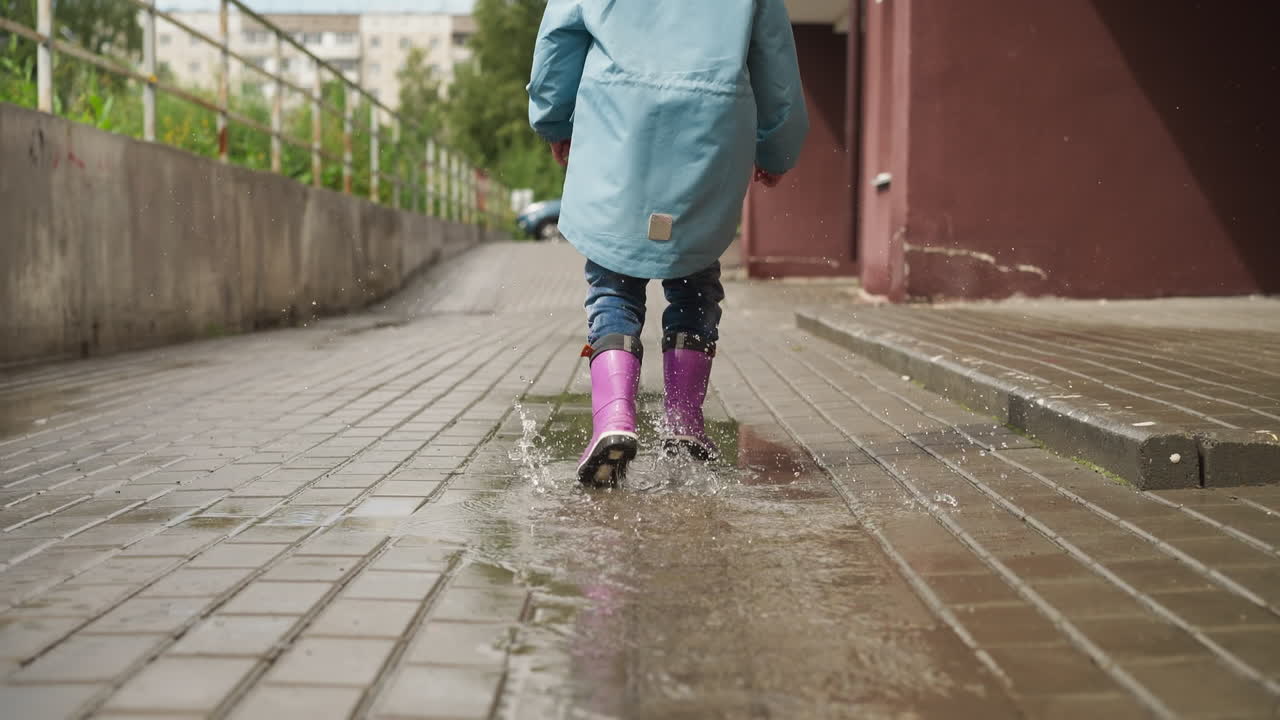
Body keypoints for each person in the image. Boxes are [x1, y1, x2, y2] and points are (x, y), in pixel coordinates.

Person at [527, 0, 808, 485]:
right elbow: (775, 59)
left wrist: (553, 121)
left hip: (617, 123)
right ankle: (683, 423)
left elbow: (558, 41)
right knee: (694, 274)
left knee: (613, 283)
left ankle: (614, 421)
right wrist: (776, 146)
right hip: (710, 126)